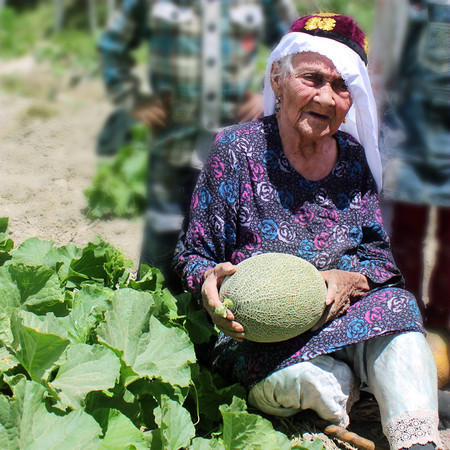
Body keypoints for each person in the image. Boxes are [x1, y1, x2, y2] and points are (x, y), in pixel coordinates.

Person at [174, 13, 443, 449]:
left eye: (341, 86)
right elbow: (194, 254)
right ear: (278, 79)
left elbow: (378, 258)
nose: (326, 96)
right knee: (308, 381)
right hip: (261, 338)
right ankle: (340, 394)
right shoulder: (235, 152)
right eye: (312, 78)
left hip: (343, 317)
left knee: (398, 308)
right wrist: (209, 283)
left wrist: (349, 280)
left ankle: (418, 442)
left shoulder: (352, 160)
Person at [97, 0, 298, 292]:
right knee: (164, 235)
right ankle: (153, 309)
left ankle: (216, 316)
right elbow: (113, 44)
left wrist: (266, 95)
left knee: (229, 238)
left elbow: (294, 49)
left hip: (241, 150)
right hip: (175, 145)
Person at [370, 0, 450, 331]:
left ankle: (444, 313)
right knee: (404, 231)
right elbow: (381, 63)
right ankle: (406, 310)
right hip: (408, 133)